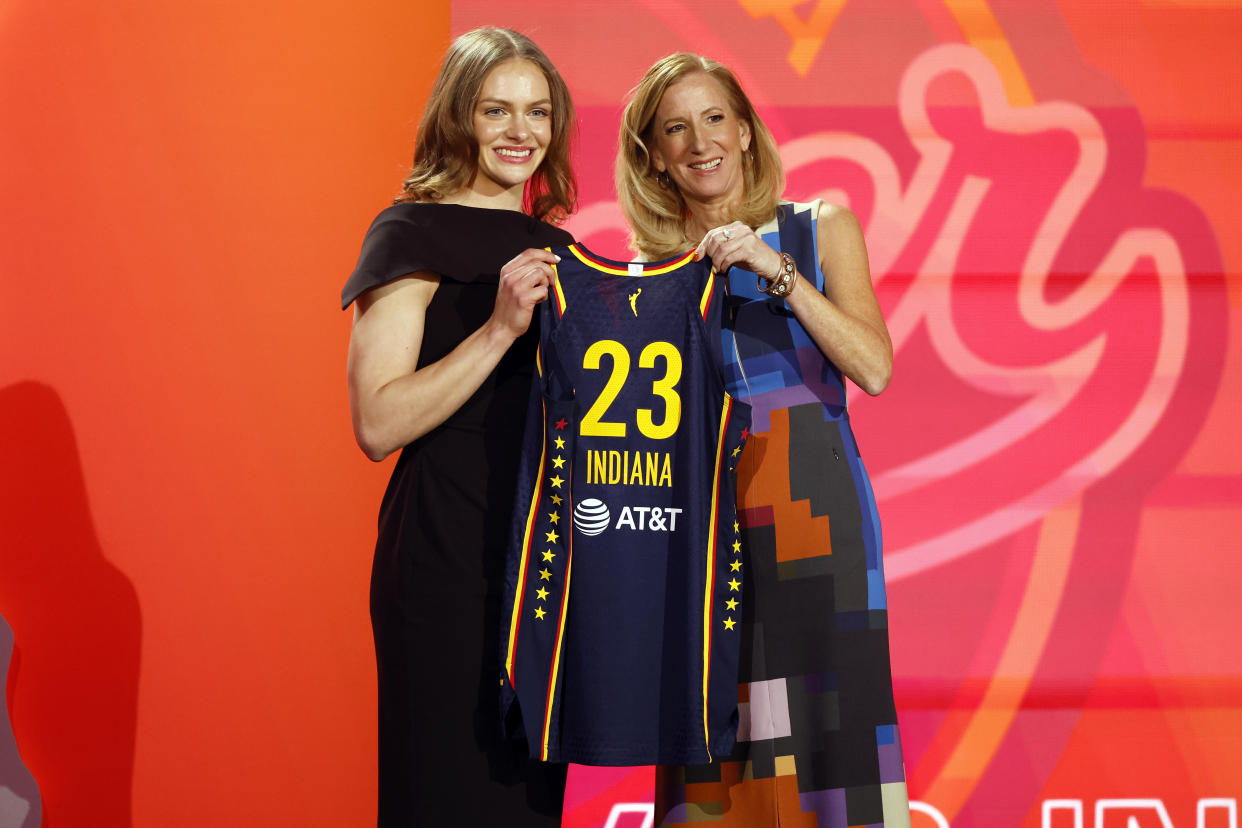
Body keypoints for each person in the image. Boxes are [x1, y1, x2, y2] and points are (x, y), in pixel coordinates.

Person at [616, 54, 911, 827]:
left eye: (714, 118)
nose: (699, 142)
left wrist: (771, 266)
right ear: (653, 155)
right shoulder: (646, 275)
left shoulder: (819, 227)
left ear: (745, 131)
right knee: (717, 742)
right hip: (707, 533)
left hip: (818, 511)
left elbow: (873, 367)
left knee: (833, 743)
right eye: (674, 128)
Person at [341, 27, 576, 827]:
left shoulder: (564, 252)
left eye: (538, 112)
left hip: (541, 575)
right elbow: (377, 422)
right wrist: (498, 330)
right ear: (458, 117)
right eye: (497, 110)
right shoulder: (408, 234)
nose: (521, 132)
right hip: (442, 568)